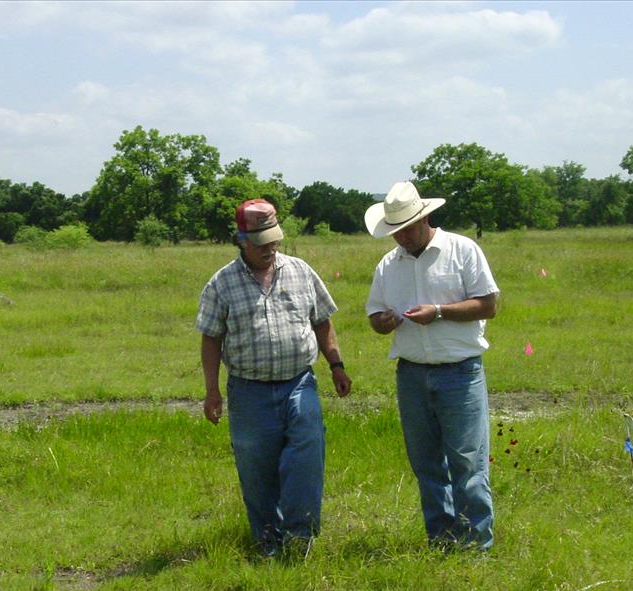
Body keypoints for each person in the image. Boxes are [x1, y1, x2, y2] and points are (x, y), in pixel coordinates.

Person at [196, 198, 352, 558]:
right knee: (257, 468)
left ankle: (300, 539)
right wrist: (212, 391)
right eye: (261, 242)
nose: (270, 248)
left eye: (274, 240)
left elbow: (322, 320)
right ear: (241, 240)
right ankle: (268, 541)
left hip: (299, 382)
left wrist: (336, 364)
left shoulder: (300, 271)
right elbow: (211, 338)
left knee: (306, 461)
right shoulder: (221, 283)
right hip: (248, 390)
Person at [364, 181, 500, 551]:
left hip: (460, 372)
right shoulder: (388, 265)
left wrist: (438, 312)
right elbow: (374, 315)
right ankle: (440, 540)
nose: (401, 237)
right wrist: (383, 322)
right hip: (411, 373)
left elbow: (488, 305)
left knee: (467, 463)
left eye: (407, 229)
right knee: (426, 464)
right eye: (395, 232)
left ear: (425, 218)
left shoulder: (462, 250)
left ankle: (476, 545)